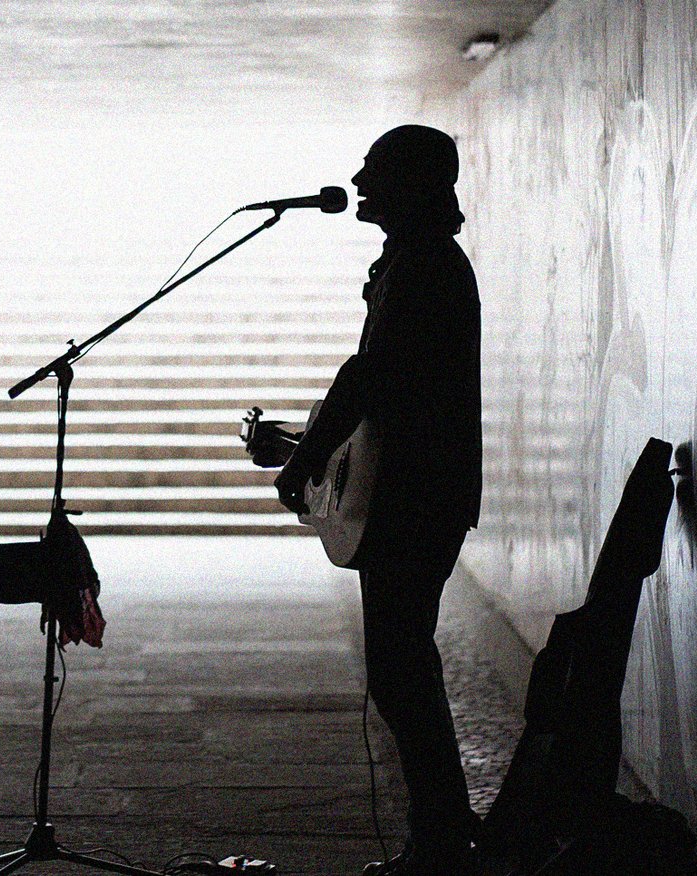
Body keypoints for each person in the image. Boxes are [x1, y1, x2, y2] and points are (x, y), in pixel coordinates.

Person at [274, 125, 483, 875]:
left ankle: (442, 843)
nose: (358, 178)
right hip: (417, 493)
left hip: (415, 501)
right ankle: (446, 832)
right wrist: (314, 446)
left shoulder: (423, 265)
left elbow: (368, 375)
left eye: (377, 170)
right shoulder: (419, 260)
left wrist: (304, 457)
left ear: (415, 184)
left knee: (401, 672)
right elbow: (393, 388)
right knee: (403, 669)